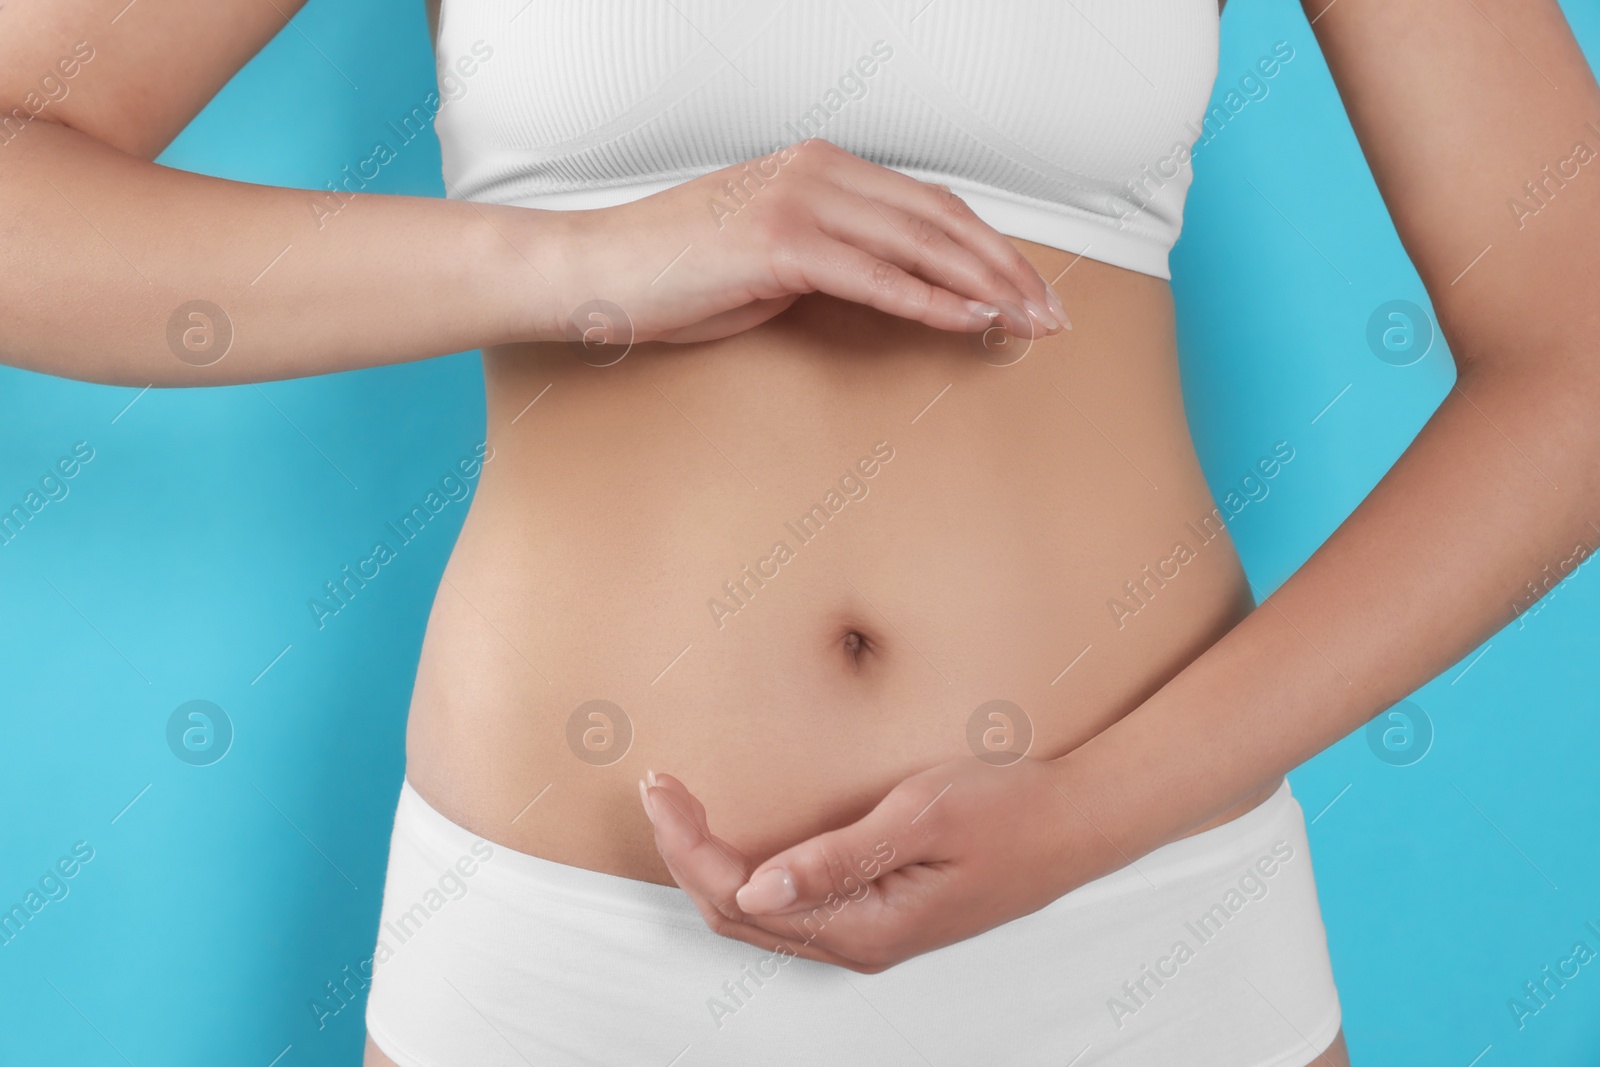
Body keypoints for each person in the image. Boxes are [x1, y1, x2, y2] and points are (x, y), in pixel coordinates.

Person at [4, 0, 1596, 1063]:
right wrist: (585, 266)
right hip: (570, 939)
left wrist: (1108, 813)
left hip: (1135, 920)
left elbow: (1578, 359)